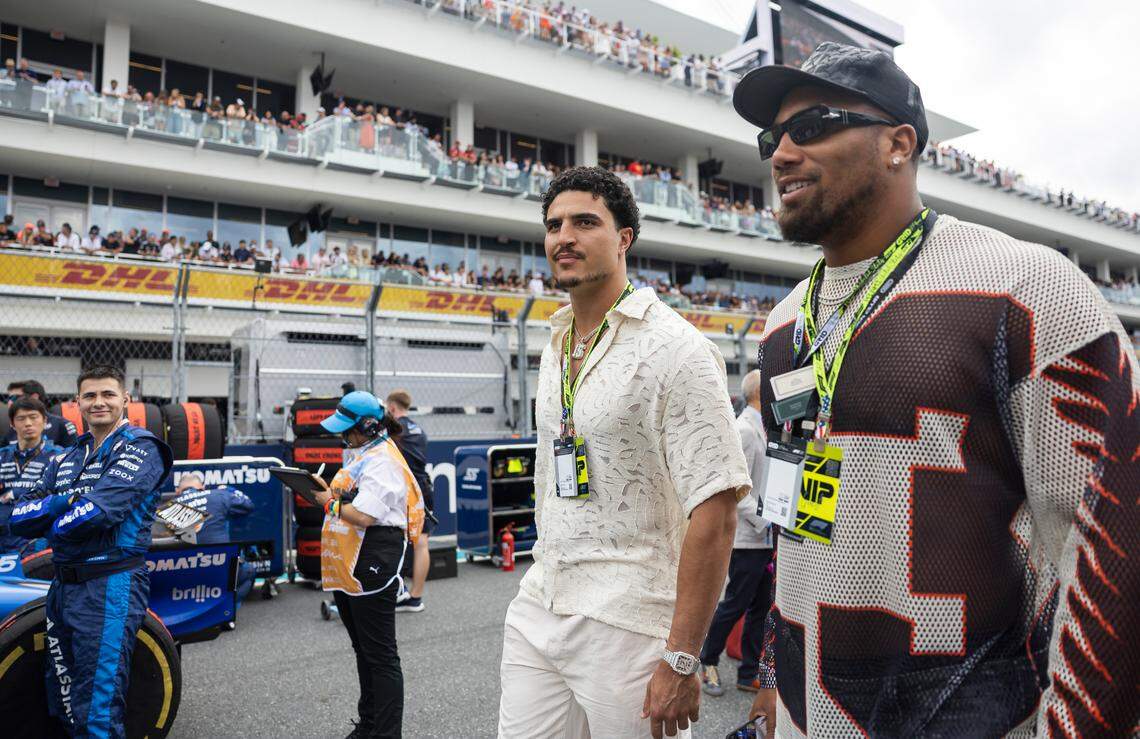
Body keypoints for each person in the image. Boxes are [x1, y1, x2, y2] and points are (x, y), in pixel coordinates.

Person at [733, 42, 1139, 737]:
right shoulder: (782, 323)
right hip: (808, 708)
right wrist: (774, 670)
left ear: (899, 143)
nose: (780, 154)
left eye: (812, 126)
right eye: (774, 137)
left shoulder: (1028, 288)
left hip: (971, 708)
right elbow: (791, 523)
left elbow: (1112, 547)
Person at [497, 167, 751, 739]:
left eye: (585, 222)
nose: (565, 236)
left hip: (631, 620)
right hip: (543, 598)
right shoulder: (556, 343)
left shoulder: (678, 349)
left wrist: (684, 658)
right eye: (554, 224)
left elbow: (716, 514)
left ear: (625, 238)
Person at [9, 365, 173, 738]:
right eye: (90, 396)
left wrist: (52, 517)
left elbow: (96, 516)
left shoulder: (142, 448)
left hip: (109, 585)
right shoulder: (67, 458)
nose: (99, 402)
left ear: (125, 400)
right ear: (77, 403)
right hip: (63, 587)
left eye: (108, 394)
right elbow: (18, 519)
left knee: (97, 705)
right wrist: (65, 502)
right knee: (63, 696)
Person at [312, 391, 425, 738]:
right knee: (364, 650)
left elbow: (363, 515)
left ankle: (386, 733)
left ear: (368, 426)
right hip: (352, 561)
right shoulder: (365, 453)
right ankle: (370, 725)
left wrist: (329, 504)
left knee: (380, 656)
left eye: (348, 429)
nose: (342, 435)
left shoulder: (383, 460)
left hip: (373, 557)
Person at [698, 369, 774, 696]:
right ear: (760, 393)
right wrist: (766, 517)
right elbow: (736, 488)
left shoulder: (763, 428)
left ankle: (747, 673)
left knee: (760, 608)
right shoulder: (743, 429)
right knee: (735, 604)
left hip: (764, 536)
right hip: (748, 536)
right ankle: (707, 659)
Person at [173, 472, 257, 603]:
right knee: (249, 571)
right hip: (219, 569)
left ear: (177, 491)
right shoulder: (218, 495)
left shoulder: (169, 506)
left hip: (181, 575)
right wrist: (227, 489)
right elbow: (248, 504)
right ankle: (226, 607)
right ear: (203, 487)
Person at [385, 389, 433, 614]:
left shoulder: (392, 431)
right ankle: (415, 597)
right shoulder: (419, 429)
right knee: (422, 543)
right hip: (424, 487)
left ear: (392, 408)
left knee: (396, 540)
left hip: (405, 490)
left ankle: (394, 591)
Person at [0, 397, 64, 553]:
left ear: (44, 421)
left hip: (36, 541)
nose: (28, 423)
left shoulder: (59, 457)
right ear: (12, 424)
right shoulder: (2, 456)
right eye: (21, 418)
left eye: (33, 417)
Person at [5, 379, 78, 448]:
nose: (10, 402)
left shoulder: (62, 425)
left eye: (15, 398)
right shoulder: (11, 427)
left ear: (34, 397)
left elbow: (75, 456)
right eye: (9, 398)